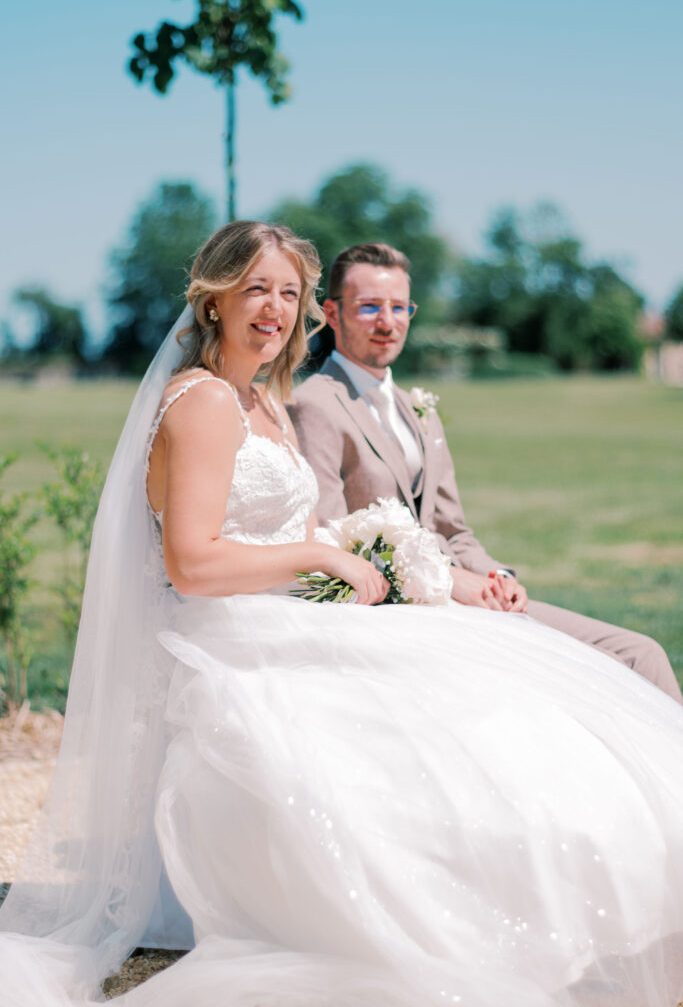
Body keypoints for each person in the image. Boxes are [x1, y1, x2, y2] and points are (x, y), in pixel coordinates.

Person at [1, 221, 682, 1007]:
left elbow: (299, 533)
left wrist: (413, 568)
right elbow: (192, 563)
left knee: (482, 693)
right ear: (213, 298)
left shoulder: (264, 402)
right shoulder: (202, 402)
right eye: (256, 288)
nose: (275, 308)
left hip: (290, 615)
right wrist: (322, 558)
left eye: (288, 292)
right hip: (230, 640)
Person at [290, 242, 683, 704]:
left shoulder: (417, 408)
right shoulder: (315, 404)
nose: (387, 321)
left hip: (476, 595)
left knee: (640, 654)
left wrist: (499, 577)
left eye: (399, 307)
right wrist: (452, 584)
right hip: (406, 615)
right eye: (369, 306)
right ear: (332, 313)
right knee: (632, 660)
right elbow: (333, 543)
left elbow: (454, 531)